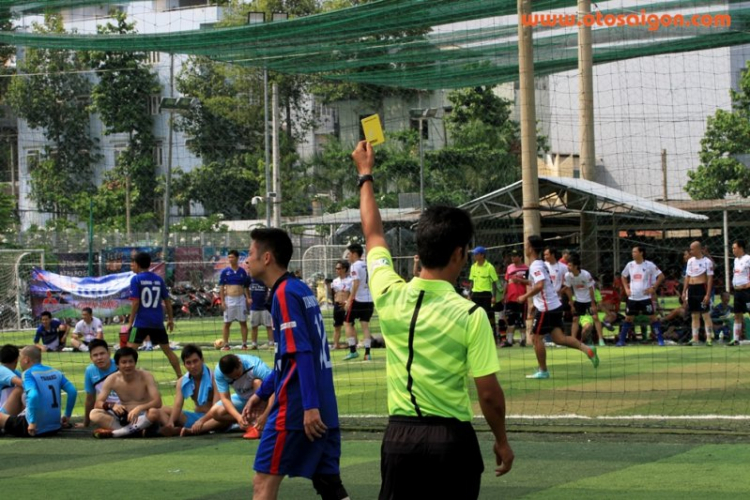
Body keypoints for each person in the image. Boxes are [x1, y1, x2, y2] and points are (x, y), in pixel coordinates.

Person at [349, 140, 513, 499]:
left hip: (399, 439)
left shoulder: (389, 294)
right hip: (451, 441)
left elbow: (372, 232)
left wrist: (365, 174)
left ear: (419, 251)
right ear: (459, 253)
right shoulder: (470, 314)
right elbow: (489, 395)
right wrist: (501, 440)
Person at [241, 227, 349, 500]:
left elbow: (301, 353)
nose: (246, 259)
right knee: (328, 483)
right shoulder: (300, 288)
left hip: (298, 408)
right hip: (324, 404)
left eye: (250, 253)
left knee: (262, 483)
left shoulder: (284, 293)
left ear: (266, 258)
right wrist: (262, 393)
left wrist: (309, 407)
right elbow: (287, 358)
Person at [519, 235, 599, 379]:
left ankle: (543, 371)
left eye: (526, 245)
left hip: (547, 308)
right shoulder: (541, 264)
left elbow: (540, 285)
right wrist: (519, 281)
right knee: (559, 338)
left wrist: (525, 297)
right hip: (554, 305)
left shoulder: (536, 265)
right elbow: (537, 283)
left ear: (530, 248)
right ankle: (588, 349)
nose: (524, 247)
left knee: (536, 338)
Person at [125, 252, 182, 377]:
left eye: (132, 263)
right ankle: (180, 376)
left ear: (138, 264)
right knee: (168, 351)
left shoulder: (136, 279)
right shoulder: (158, 279)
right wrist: (170, 319)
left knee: (128, 351)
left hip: (141, 322)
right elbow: (167, 301)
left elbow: (135, 302)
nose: (131, 265)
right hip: (157, 322)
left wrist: (130, 322)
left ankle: (121, 377)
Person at [0, 346, 77, 437]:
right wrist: (67, 415)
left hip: (34, 428)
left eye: (20, 358)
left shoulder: (28, 374)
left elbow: (33, 395)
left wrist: (32, 422)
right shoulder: (55, 372)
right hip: (55, 426)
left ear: (26, 360)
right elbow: (73, 391)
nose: (19, 362)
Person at [90, 347, 162, 438]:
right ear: (117, 365)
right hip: (124, 418)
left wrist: (139, 408)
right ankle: (134, 432)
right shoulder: (112, 379)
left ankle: (116, 434)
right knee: (94, 414)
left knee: (154, 412)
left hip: (143, 416)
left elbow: (158, 402)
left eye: (130, 361)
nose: (128, 365)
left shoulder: (146, 376)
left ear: (135, 362)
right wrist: (112, 405)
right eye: (124, 362)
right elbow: (98, 403)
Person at [159, 344, 225, 437]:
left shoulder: (214, 377)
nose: (193, 366)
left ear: (202, 360)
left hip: (213, 418)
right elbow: (177, 406)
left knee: (222, 415)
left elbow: (216, 407)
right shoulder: (182, 381)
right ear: (184, 365)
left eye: (195, 361)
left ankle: (193, 430)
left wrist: (202, 421)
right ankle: (172, 428)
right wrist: (170, 422)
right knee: (162, 410)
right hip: (195, 418)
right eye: (188, 363)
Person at [211, 353, 273, 439]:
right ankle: (251, 424)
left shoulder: (256, 366)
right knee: (215, 413)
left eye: (238, 374)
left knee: (257, 382)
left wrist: (265, 415)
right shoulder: (220, 372)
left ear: (240, 362)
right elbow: (225, 398)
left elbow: (275, 390)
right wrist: (238, 417)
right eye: (232, 377)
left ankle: (261, 421)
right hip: (242, 398)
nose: (236, 378)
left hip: (261, 397)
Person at [617, 245, 666, 346]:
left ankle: (660, 340)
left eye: (635, 252)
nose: (632, 254)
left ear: (641, 253)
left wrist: (653, 288)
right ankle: (621, 340)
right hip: (632, 298)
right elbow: (623, 276)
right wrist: (626, 288)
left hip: (645, 298)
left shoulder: (649, 265)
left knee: (653, 318)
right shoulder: (630, 265)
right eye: (632, 252)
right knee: (628, 318)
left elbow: (661, 276)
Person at [562, 253, 605, 346]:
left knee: (595, 317)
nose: (567, 267)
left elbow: (591, 288)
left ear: (576, 266)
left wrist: (593, 304)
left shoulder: (585, 274)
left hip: (588, 300)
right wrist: (572, 303)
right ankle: (573, 340)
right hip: (578, 300)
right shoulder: (567, 276)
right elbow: (568, 289)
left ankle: (601, 339)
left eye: (569, 265)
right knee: (575, 319)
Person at [343, 243, 374, 361]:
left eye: (349, 254)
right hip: (369, 300)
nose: (348, 257)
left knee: (347, 322)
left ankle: (353, 350)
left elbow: (356, 283)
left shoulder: (355, 266)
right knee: (365, 326)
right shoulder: (367, 265)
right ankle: (367, 354)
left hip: (358, 299)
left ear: (355, 254)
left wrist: (350, 300)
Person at [81, 339, 119, 428]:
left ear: (109, 353)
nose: (99, 358)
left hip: (128, 406)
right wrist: (85, 423)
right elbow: (90, 399)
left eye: (102, 354)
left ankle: (121, 428)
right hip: (109, 409)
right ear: (91, 358)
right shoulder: (90, 371)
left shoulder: (120, 365)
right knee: (94, 414)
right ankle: (129, 428)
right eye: (95, 355)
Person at [219, 249, 252, 350]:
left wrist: (248, 298)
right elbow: (221, 287)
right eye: (229, 257)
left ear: (237, 258)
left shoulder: (242, 272)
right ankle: (226, 345)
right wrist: (222, 301)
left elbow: (246, 286)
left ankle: (244, 344)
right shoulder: (225, 272)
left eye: (232, 257)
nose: (230, 259)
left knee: (243, 322)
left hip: (240, 300)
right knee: (227, 323)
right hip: (229, 300)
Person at [684, 241, 715, 345]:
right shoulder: (690, 261)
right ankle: (695, 338)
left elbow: (710, 279)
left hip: (701, 288)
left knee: (705, 314)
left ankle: (709, 338)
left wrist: (707, 294)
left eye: (692, 249)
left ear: (698, 249)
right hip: (692, 289)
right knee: (694, 314)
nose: (690, 251)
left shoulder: (707, 262)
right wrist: (684, 291)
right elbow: (687, 277)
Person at [468, 246, 500, 343]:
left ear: (482, 255)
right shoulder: (473, 267)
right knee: (474, 315)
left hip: (486, 294)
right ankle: (476, 337)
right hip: (475, 294)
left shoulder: (490, 267)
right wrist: (470, 294)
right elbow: (471, 282)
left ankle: (492, 336)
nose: (474, 256)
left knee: (488, 316)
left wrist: (494, 296)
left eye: (476, 254)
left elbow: (494, 282)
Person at [503, 250, 529, 347]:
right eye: (511, 256)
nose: (512, 258)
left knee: (521, 320)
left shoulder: (526, 268)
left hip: (521, 298)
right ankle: (509, 340)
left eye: (515, 256)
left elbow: (530, 282)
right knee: (510, 319)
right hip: (510, 298)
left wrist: (520, 280)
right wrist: (504, 295)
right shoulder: (509, 267)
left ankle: (523, 339)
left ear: (520, 257)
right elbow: (506, 281)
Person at [730, 239, 750, 346]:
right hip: (737, 292)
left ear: (741, 248)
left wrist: (747, 285)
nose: (733, 250)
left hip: (747, 292)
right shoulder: (735, 260)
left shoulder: (748, 259)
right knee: (737, 315)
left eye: (734, 248)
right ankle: (736, 339)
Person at [328, 260, 352, 350]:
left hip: (346, 305)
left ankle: (352, 344)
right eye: (336, 268)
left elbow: (351, 293)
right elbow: (334, 293)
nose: (336, 270)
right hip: (337, 305)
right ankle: (336, 345)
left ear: (344, 269)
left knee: (349, 325)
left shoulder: (350, 280)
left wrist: (346, 302)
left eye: (338, 268)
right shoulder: (335, 281)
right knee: (337, 326)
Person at [249, 277, 275, 350]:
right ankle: (254, 344)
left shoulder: (265, 278)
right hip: (254, 307)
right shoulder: (250, 279)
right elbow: (245, 287)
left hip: (265, 307)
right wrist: (248, 297)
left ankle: (271, 343)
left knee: (269, 326)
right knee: (254, 326)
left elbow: (271, 289)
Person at [0, 344, 23, 416]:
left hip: (6, 408)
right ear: (16, 360)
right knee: (20, 389)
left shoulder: (14, 371)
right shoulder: (2, 370)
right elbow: (23, 383)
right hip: (2, 414)